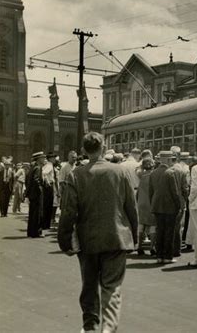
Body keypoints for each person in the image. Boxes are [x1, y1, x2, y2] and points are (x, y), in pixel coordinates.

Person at [58, 132, 138, 333]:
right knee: (112, 288)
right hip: (117, 237)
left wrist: (65, 241)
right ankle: (108, 329)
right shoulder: (120, 172)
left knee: (89, 286)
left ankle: (90, 327)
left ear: (84, 150)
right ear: (103, 148)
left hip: (88, 240)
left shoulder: (75, 175)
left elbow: (68, 211)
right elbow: (131, 208)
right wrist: (133, 236)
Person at [149, 151, 181, 264]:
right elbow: (175, 192)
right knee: (169, 232)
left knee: (160, 231)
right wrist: (179, 205)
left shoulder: (153, 173)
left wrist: (152, 204)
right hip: (170, 206)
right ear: (168, 160)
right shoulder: (170, 173)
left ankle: (159, 255)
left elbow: (150, 192)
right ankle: (168, 256)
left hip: (157, 206)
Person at [168, 146, 189, 258]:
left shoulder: (167, 169)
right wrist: (185, 199)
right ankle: (177, 249)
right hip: (180, 201)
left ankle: (169, 248)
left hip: (169, 201)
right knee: (179, 226)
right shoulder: (183, 169)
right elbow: (185, 188)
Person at [136, 157, 156, 256]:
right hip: (150, 201)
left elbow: (137, 169)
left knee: (141, 224)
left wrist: (142, 165)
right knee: (152, 224)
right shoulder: (154, 175)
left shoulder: (141, 174)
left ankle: (139, 246)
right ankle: (152, 247)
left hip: (141, 201)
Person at [27, 152, 46, 237]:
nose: (44, 159)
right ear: (39, 159)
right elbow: (36, 180)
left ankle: (31, 232)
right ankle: (36, 232)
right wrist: (40, 189)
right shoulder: (38, 168)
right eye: (42, 158)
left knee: (32, 213)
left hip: (32, 194)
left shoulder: (32, 168)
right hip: (37, 194)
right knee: (38, 214)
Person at [42, 153, 57, 230]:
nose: (55, 159)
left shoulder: (48, 165)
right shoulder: (49, 165)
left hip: (49, 186)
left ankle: (46, 224)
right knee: (48, 205)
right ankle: (45, 225)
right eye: (54, 158)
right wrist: (47, 181)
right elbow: (43, 173)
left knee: (48, 205)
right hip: (49, 187)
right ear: (50, 158)